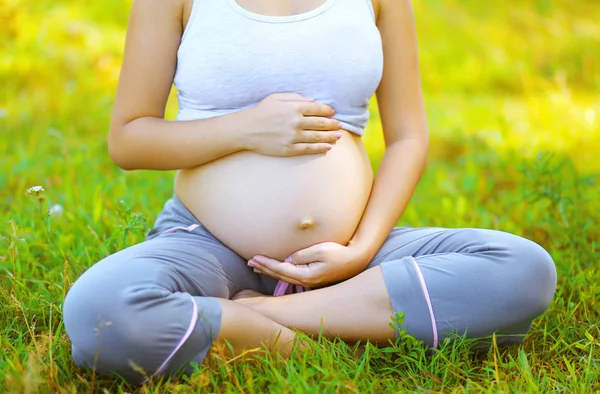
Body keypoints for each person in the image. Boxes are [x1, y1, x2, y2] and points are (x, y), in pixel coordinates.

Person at [62, 0, 557, 385]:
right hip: (210, 246)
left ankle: (266, 317)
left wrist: (359, 249)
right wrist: (246, 129)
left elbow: (409, 138)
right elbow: (129, 138)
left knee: (524, 271)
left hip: (349, 260)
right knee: (100, 313)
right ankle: (325, 341)